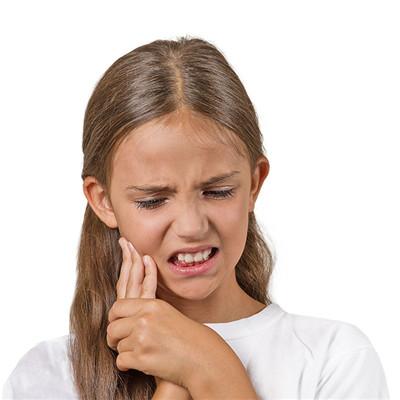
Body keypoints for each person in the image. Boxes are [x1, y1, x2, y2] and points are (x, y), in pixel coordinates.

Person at [2, 36, 390, 400]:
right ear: (102, 201)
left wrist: (211, 368)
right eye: (153, 200)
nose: (191, 227)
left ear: (254, 184)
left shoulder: (335, 360)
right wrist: (176, 382)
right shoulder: (48, 376)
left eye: (217, 192)